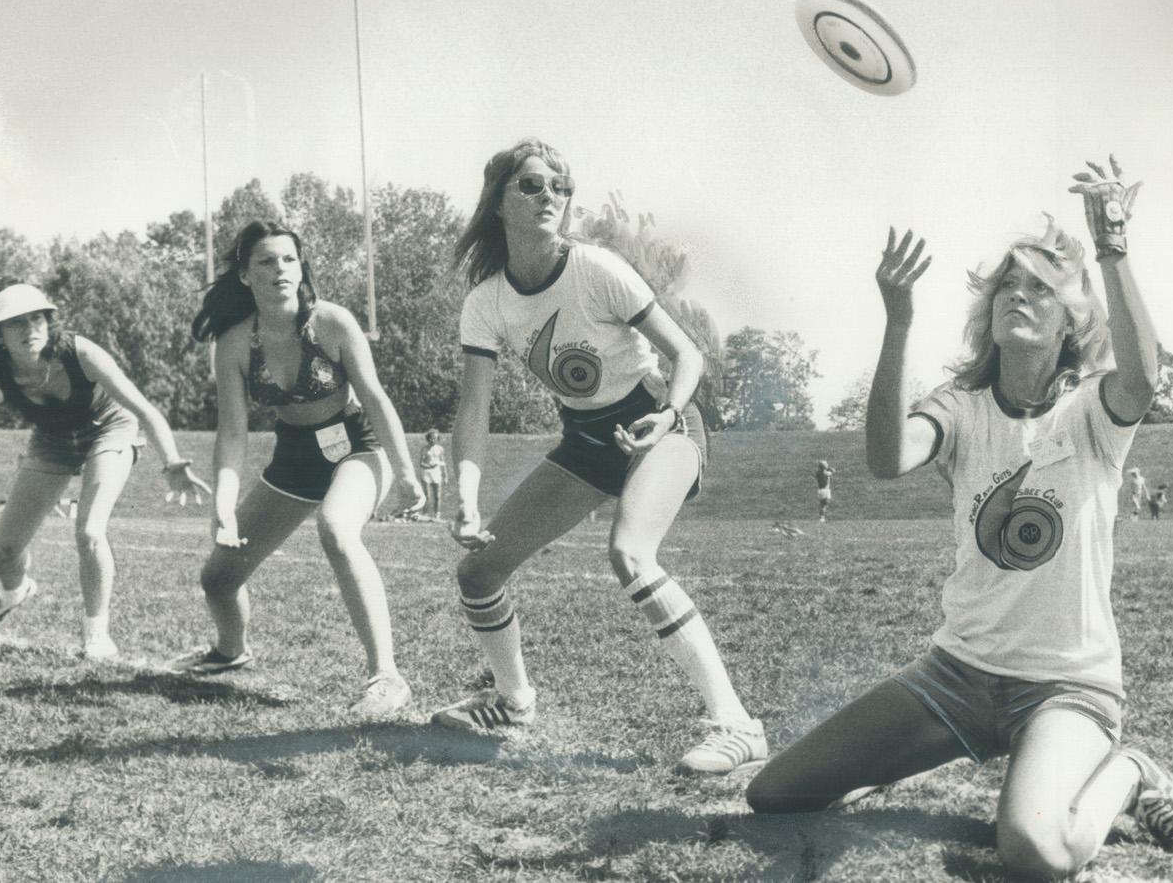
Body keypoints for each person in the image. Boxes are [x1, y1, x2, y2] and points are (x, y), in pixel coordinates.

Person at [746, 162, 1173, 880]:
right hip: (957, 676)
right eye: (1006, 286)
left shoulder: (1090, 410)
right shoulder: (960, 406)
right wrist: (897, 322)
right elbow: (885, 458)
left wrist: (1111, 246)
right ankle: (962, 757)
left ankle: (1130, 773)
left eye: (1038, 288)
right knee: (774, 793)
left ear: (1070, 321)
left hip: (1066, 688)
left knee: (1035, 853)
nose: (1016, 296)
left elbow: (1144, 379)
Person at [433, 138, 766, 774]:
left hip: (663, 424)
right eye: (532, 185)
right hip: (587, 442)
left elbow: (687, 354)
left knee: (631, 553)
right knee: (478, 573)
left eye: (560, 187)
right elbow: (472, 411)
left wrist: (667, 415)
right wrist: (468, 500)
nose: (550, 198)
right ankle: (513, 702)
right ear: (498, 200)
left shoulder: (595, 268)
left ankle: (736, 723)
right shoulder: (485, 303)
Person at [177, 220, 425, 718]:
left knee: (335, 529)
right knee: (218, 579)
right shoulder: (233, 344)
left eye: (289, 259)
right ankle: (230, 651)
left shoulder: (332, 322)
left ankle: (387, 676)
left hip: (356, 447)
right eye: (266, 262)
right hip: (294, 458)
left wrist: (405, 472)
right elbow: (232, 434)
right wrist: (223, 508)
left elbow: (375, 398)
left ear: (301, 266)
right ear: (245, 276)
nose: (280, 270)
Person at [0, 281, 211, 659]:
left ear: (49, 321)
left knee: (90, 530)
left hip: (110, 429)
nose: (30, 330)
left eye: (37, 318)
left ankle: (97, 636)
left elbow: (144, 409)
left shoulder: (80, 351)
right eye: (16, 324)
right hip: (52, 441)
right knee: (5, 551)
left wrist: (171, 462)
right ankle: (15, 592)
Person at [419, 429, 449, 520]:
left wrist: (446, 475)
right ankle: (425, 513)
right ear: (428, 439)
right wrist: (429, 466)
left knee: (437, 495)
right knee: (426, 495)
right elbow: (421, 463)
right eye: (431, 438)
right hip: (426, 472)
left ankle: (437, 514)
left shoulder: (440, 449)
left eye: (435, 438)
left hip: (437, 473)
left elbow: (443, 462)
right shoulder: (424, 449)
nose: (433, 440)